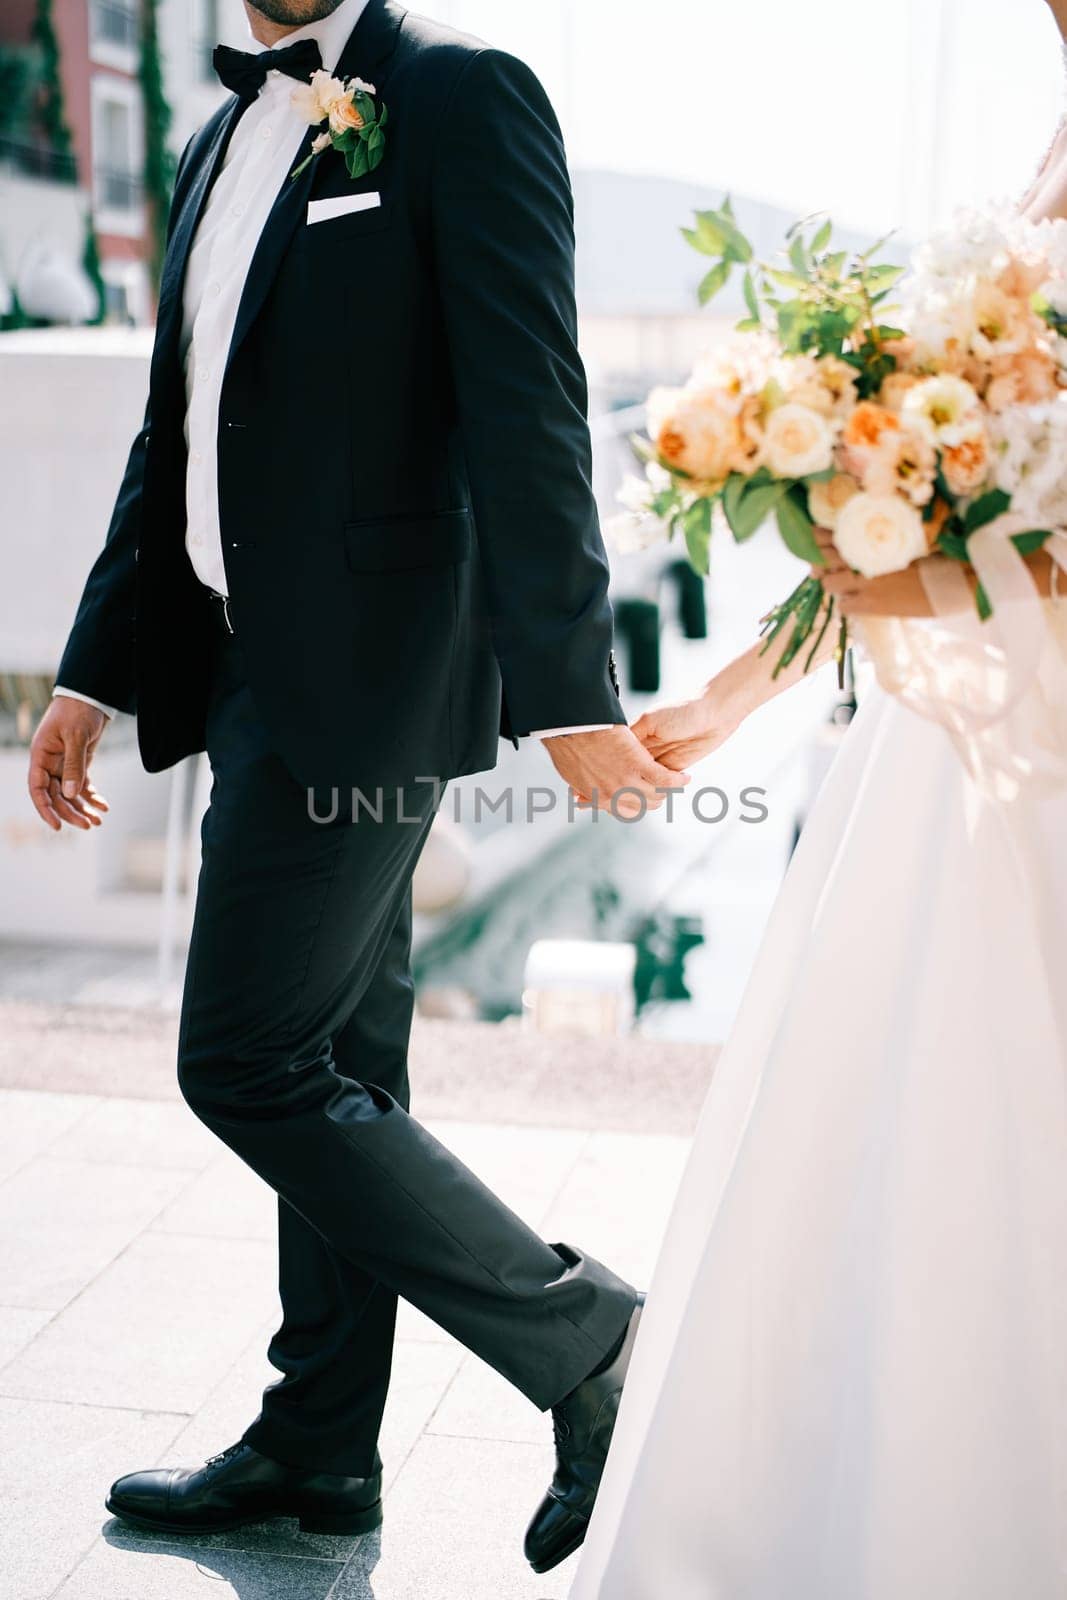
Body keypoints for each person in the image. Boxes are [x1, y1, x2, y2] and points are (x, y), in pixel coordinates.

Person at [27, 0, 682, 1573]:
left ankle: (586, 1338)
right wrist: (91, 666)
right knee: (338, 1075)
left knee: (245, 1063)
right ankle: (319, 1452)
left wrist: (572, 690)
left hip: (379, 679)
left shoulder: (459, 95)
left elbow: (530, 401)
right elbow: (174, 429)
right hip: (239, 666)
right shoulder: (210, 135)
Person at [572, 12, 1067, 1594]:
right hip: (930, 756)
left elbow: (985, 548)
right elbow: (915, 511)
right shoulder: (1038, 155)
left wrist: (919, 567)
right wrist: (728, 698)